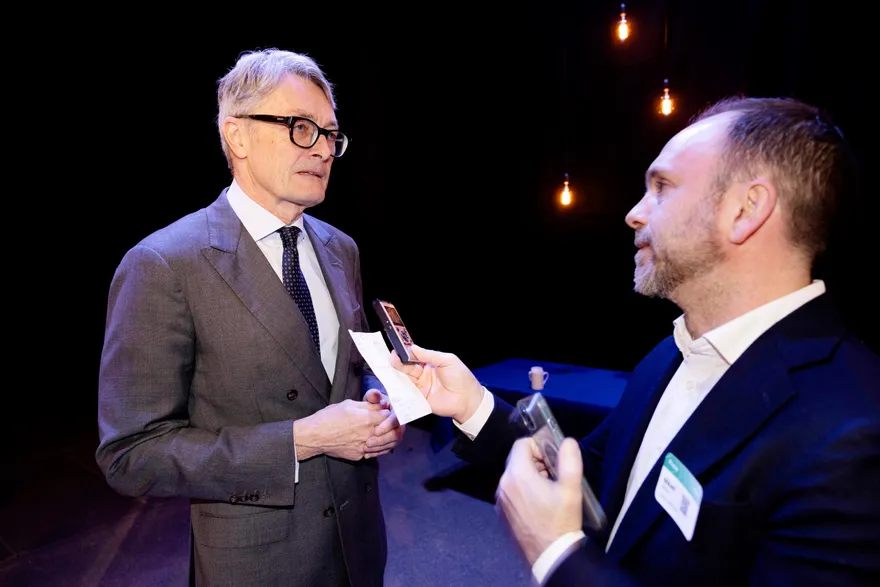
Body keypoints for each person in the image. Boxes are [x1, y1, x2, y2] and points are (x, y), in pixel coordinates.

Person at [388, 96, 880, 585]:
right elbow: (593, 474)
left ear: (746, 210)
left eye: (661, 187)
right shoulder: (670, 352)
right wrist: (472, 404)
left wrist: (557, 558)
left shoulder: (853, 434)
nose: (633, 213)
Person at [95, 48, 405, 587]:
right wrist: (302, 439)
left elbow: (338, 372)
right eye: (300, 127)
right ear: (236, 136)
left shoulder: (342, 248)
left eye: (331, 134)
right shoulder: (163, 264)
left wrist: (378, 402)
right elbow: (131, 455)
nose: (324, 149)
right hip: (257, 564)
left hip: (359, 548)